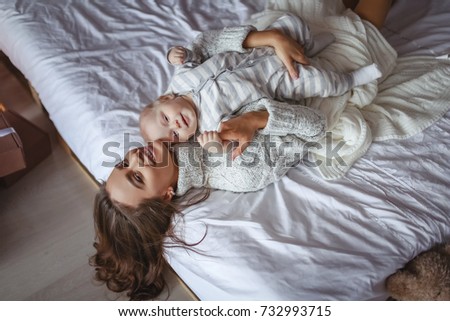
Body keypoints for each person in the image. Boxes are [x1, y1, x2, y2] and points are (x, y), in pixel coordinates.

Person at [90, 0, 393, 300]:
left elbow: (204, 46)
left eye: (122, 163)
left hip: (274, 34)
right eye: (137, 178)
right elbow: (314, 126)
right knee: (359, 23)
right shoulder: (236, 169)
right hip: (316, 71)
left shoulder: (170, 126)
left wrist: (271, 38)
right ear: (166, 195)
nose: (135, 158)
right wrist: (256, 120)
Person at [139, 13, 381, 158]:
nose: (176, 126)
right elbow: (227, 142)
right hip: (279, 82)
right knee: (324, 83)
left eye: (166, 119)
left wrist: (174, 54)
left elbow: (194, 53)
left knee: (294, 24)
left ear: (165, 99)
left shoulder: (181, 80)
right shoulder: (208, 126)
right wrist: (215, 146)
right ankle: (352, 79)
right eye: (174, 135)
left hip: (259, 51)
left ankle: (310, 46)